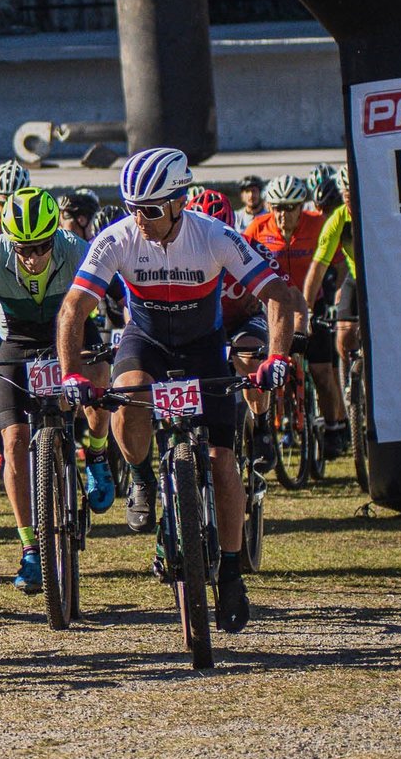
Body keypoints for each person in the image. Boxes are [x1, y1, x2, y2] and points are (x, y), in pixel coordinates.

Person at [57, 148, 300, 634]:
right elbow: (73, 309)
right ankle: (142, 477)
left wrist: (276, 358)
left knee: (221, 461)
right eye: (132, 208)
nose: (139, 219)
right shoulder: (117, 238)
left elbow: (277, 295)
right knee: (129, 396)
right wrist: (71, 374)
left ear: (177, 203)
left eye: (149, 209)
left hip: (202, 346)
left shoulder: (213, 235)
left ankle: (230, 570)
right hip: (144, 342)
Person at [0, 187, 114, 593]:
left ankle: (98, 453)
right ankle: (30, 548)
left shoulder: (77, 249)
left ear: (55, 237)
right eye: (23, 249)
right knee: (12, 442)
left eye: (41, 247)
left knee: (101, 370)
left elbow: (123, 297)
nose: (31, 257)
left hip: (72, 331)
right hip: (18, 341)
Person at [244, 175, 347, 456]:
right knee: (273, 364)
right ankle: (282, 415)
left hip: (314, 304)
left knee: (322, 372)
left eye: (290, 208)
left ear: (301, 206)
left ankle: (333, 427)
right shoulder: (257, 228)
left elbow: (339, 265)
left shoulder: (318, 224)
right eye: (277, 207)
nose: (283, 214)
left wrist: (335, 296)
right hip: (276, 309)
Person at [185, 189, 278, 472]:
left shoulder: (250, 247)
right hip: (201, 325)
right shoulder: (179, 253)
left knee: (249, 356)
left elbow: (282, 293)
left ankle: (261, 425)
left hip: (243, 321)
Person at [302, 166, 357, 402]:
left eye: (352, 192)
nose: (348, 198)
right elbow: (318, 268)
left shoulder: (377, 212)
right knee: (344, 337)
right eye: (345, 193)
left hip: (381, 277)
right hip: (356, 278)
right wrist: (306, 309)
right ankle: (353, 384)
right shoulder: (337, 219)